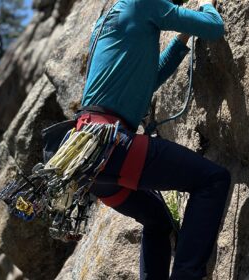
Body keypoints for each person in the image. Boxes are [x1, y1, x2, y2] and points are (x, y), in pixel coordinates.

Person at [79, 0, 230, 279]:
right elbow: (214, 27)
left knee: (158, 221)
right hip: (112, 144)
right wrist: (207, 5)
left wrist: (183, 36)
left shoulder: (105, 23)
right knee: (212, 180)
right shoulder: (143, 3)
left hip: (90, 158)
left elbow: (150, 79)